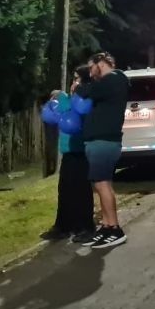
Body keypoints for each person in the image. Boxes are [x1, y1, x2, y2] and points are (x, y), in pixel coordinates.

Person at [75, 52, 129, 249]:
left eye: (91, 67)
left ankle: (115, 228)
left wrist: (78, 87)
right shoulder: (108, 83)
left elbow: (87, 91)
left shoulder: (113, 80)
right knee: (99, 184)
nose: (91, 72)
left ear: (101, 64)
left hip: (104, 141)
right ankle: (106, 226)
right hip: (99, 141)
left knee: (103, 184)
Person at [40, 66, 95, 242]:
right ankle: (63, 226)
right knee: (65, 190)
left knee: (81, 191)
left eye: (78, 79)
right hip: (69, 152)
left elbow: (73, 115)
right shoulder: (72, 99)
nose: (74, 83)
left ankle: (85, 227)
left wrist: (61, 96)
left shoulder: (85, 100)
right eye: (74, 79)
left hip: (81, 152)